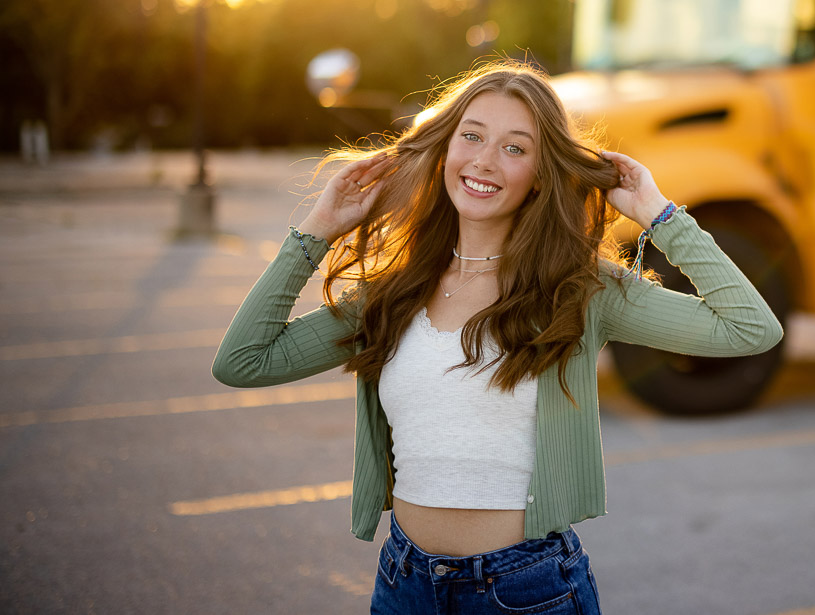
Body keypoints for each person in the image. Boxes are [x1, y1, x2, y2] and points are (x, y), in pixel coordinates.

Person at [212, 61, 783, 614]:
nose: (485, 161)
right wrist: (317, 229)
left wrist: (660, 215)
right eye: (472, 136)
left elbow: (750, 328)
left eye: (515, 148)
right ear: (444, 151)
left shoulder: (580, 290)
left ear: (540, 175)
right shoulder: (392, 292)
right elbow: (243, 362)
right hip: (405, 582)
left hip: (527, 590)